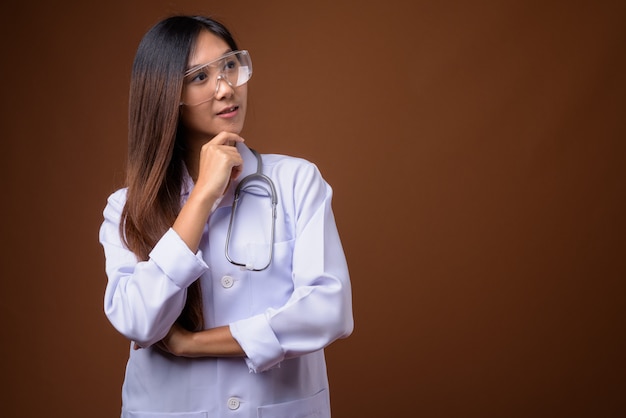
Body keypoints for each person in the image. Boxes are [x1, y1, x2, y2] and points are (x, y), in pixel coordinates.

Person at [98, 14, 353, 418]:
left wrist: (193, 343)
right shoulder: (126, 208)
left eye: (230, 66)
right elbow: (137, 320)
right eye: (200, 76)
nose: (226, 88)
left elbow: (329, 309)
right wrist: (201, 197)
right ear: (167, 94)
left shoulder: (296, 181)